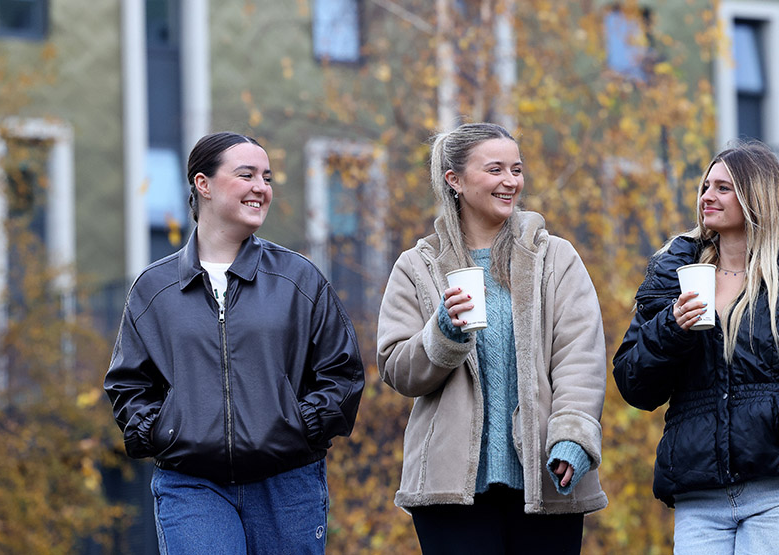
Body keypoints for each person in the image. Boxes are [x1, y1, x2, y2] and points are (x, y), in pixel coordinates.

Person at [104, 132, 364, 555]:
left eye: (267, 177)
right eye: (246, 175)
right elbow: (129, 384)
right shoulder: (154, 288)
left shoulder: (299, 279)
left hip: (287, 481)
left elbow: (342, 372)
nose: (261, 187)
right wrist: (163, 431)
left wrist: (299, 428)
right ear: (202, 184)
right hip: (191, 482)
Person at [612, 140, 779, 554]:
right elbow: (633, 383)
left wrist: (777, 418)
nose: (707, 197)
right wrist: (671, 328)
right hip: (700, 496)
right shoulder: (673, 277)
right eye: (706, 186)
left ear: (755, 196)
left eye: (723, 188)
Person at [376, 122, 608, 554]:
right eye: (496, 169)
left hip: (547, 481)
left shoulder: (555, 257)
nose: (510, 182)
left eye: (516, 170)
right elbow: (396, 368)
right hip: (450, 494)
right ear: (455, 180)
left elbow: (581, 359)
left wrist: (573, 439)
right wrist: (442, 332)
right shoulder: (417, 266)